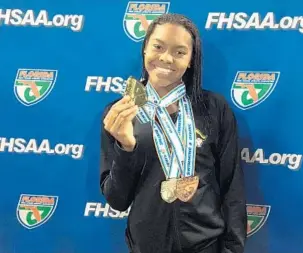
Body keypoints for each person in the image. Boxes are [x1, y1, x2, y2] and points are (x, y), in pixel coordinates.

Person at [100, 13, 247, 253]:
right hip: (146, 246)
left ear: (191, 60)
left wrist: (233, 249)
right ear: (145, 49)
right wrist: (126, 147)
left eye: (180, 52)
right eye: (158, 47)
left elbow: (232, 186)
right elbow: (117, 200)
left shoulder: (214, 108)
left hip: (206, 245)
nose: (166, 58)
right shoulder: (120, 113)